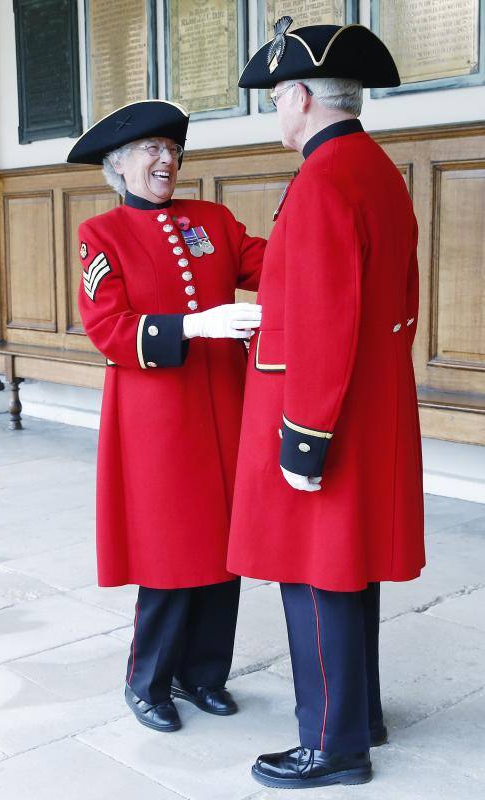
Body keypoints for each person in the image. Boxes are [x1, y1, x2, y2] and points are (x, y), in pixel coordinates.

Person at [227, 18, 425, 789]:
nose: (277, 111)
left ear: (302, 96)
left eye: (277, 97)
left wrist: (303, 437)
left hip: (321, 416)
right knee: (348, 574)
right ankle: (359, 713)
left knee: (314, 580)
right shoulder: (375, 167)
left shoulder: (322, 180)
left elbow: (320, 322)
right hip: (366, 406)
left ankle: (331, 745)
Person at [67, 100, 265, 733]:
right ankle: (147, 681)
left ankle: (204, 675)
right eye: (151, 150)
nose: (166, 160)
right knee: (170, 553)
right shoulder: (102, 236)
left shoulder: (211, 218)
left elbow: (277, 263)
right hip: (156, 421)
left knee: (227, 549)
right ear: (120, 166)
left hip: (226, 408)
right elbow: (109, 329)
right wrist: (194, 324)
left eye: (171, 149)